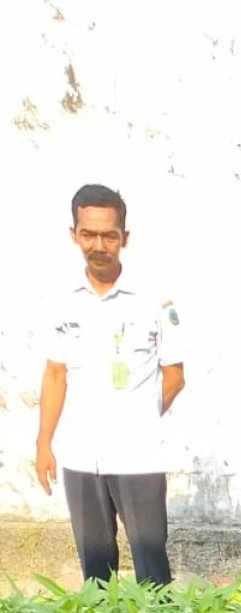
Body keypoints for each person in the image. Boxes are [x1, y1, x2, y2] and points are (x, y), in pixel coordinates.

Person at [35, 184, 185, 586]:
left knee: (151, 567)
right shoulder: (62, 300)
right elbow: (55, 374)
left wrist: (138, 418)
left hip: (139, 458)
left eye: (109, 235)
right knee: (96, 571)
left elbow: (175, 376)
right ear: (74, 234)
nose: (98, 246)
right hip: (81, 456)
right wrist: (44, 443)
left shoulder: (154, 299)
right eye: (88, 234)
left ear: (125, 237)